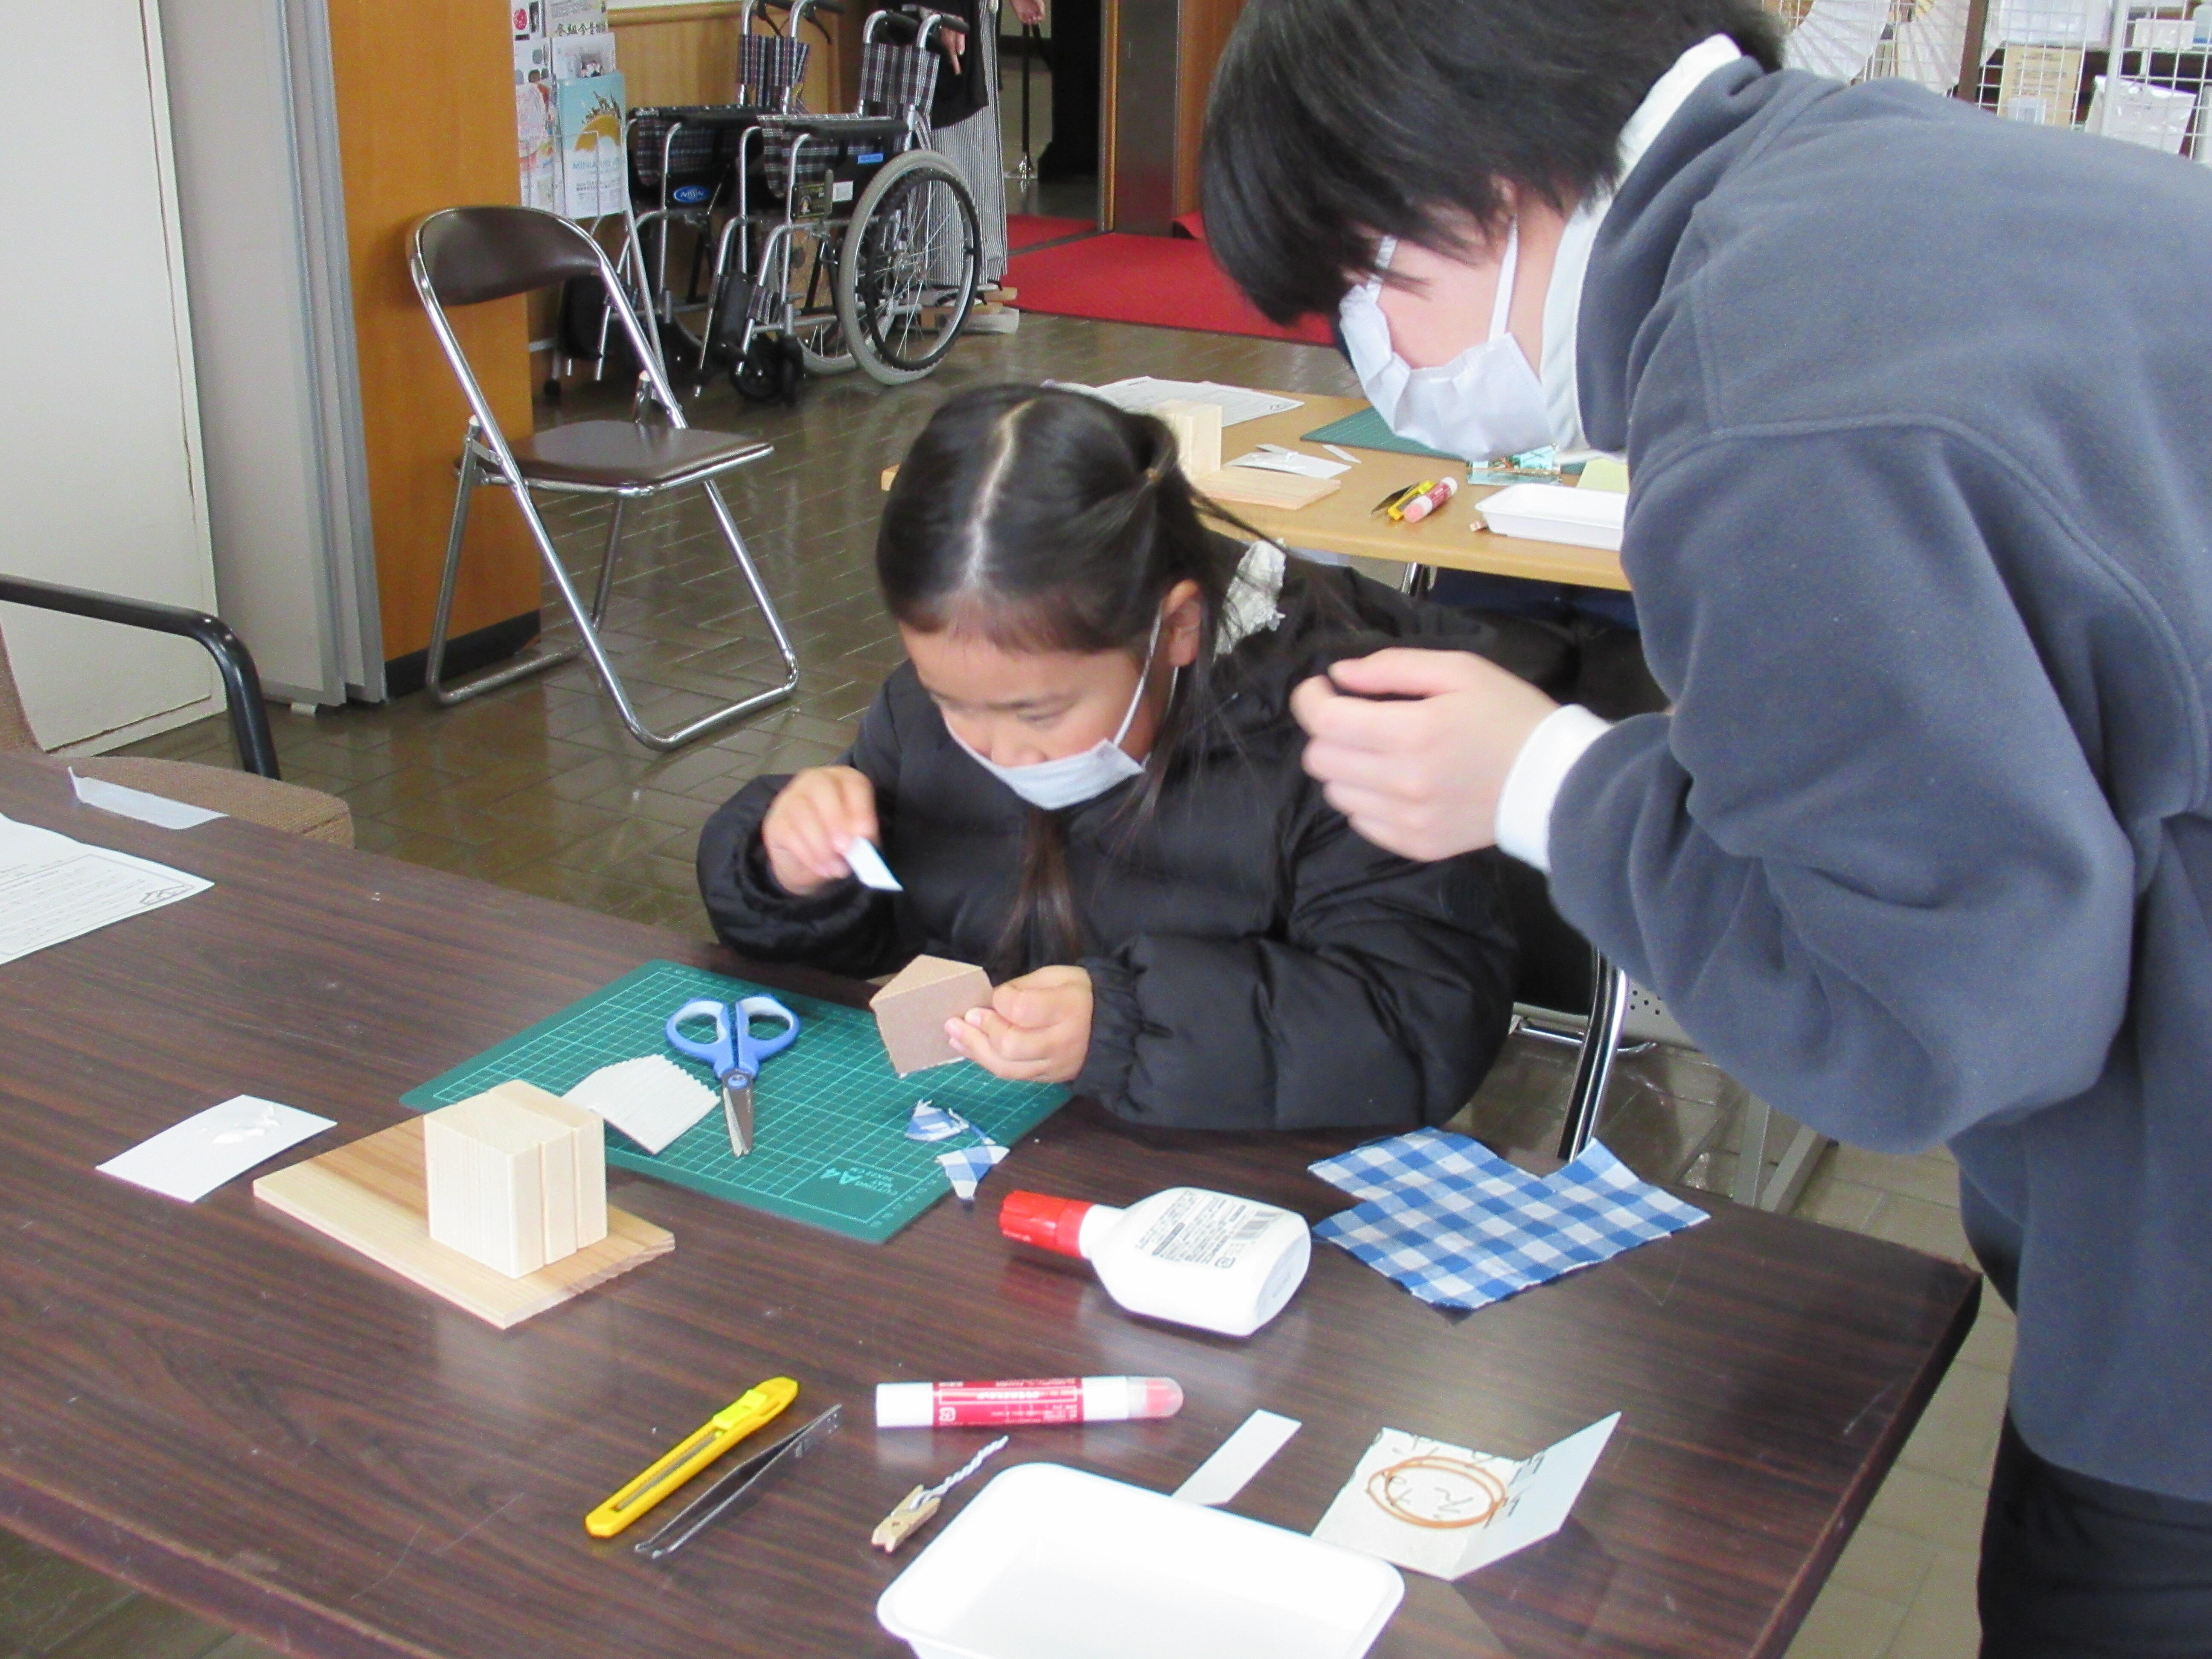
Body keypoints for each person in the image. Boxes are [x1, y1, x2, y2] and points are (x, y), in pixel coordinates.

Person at [1204, 1, 2212, 1652]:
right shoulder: (1872, 178)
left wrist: (1543, 782)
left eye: (1364, 284)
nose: (1370, 352)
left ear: (1471, 175)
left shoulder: (1768, 407)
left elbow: (1922, 1017)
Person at [696, 383, 1527, 1131]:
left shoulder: (1353, 737)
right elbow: (893, 931)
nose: (989, 746)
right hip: (1006, 1150)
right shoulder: (946, 701)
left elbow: (1423, 1025)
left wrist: (1125, 1026)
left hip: (1243, 1203)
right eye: (948, 698)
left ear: (1176, 630)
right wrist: (793, 869)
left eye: (1037, 713)